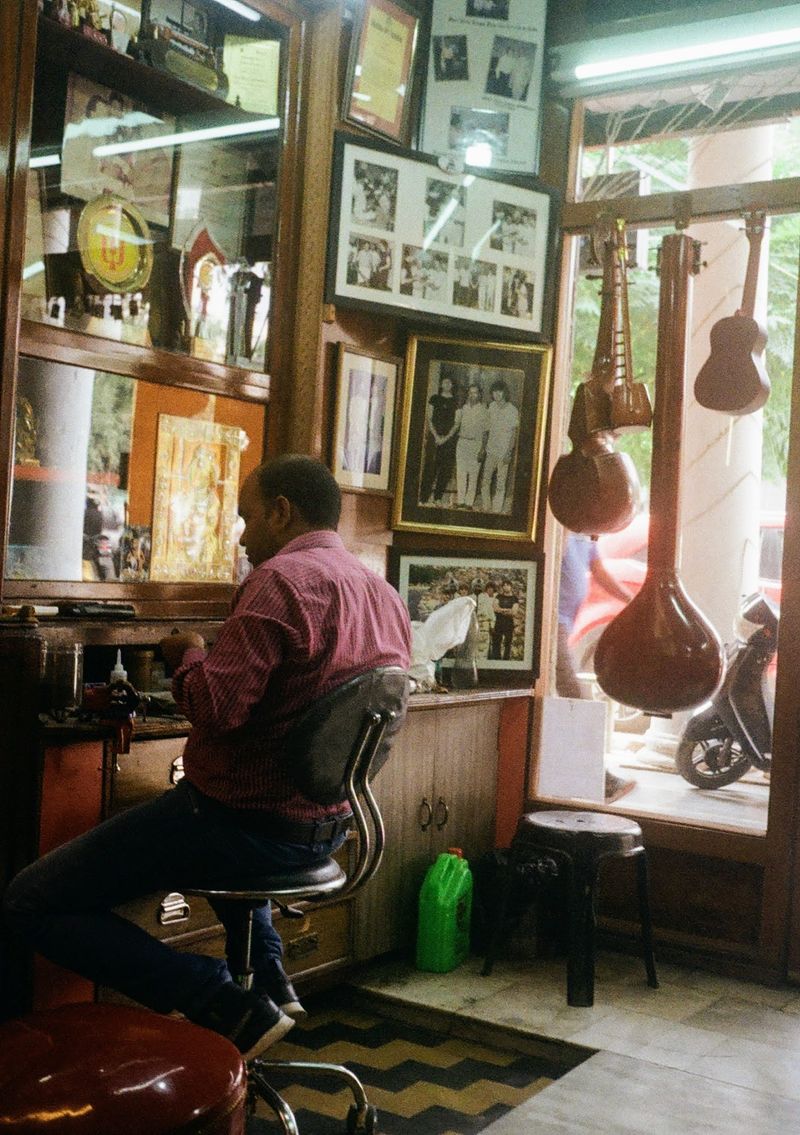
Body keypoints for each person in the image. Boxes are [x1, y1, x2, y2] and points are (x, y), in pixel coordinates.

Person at [3, 456, 412, 1060]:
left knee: (28, 900)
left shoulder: (281, 582)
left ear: (282, 511)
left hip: (239, 827)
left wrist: (188, 655)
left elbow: (217, 707)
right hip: (324, 830)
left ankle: (221, 1001)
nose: (245, 536)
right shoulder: (383, 596)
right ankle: (272, 981)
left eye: (249, 517)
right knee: (221, 831)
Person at [556, 531, 636, 804]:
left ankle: (585, 778)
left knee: (570, 702)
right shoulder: (562, 531)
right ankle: (598, 780)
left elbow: (600, 573)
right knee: (577, 700)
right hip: (550, 624)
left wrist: (633, 601)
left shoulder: (586, 540)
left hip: (562, 627)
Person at [420, 374, 459, 506]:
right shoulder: (434, 398)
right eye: (444, 382)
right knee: (430, 467)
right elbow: (429, 418)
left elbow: (457, 423)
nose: (447, 384)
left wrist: (446, 438)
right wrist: (436, 436)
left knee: (445, 469)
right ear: (441, 384)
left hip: (449, 440)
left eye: (449, 382)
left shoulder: (456, 401)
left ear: (452, 385)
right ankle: (424, 498)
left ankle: (437, 498)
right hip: (434, 438)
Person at [481, 379, 518, 513]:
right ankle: (486, 508)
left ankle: (496, 510)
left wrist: (509, 453)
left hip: (503, 453)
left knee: (500, 484)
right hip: (491, 451)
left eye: (499, 391)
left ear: (504, 393)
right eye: (494, 392)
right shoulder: (491, 407)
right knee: (485, 481)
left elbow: (513, 434)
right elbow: (486, 429)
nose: (497, 394)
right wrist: (483, 448)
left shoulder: (512, 410)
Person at [455, 381, 488, 509]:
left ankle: (469, 503)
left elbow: (485, 432)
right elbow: (457, 425)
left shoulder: (484, 410)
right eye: (470, 393)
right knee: (461, 473)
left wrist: (482, 449)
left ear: (479, 395)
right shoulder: (463, 408)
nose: (472, 395)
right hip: (462, 442)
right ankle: (460, 501)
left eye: (475, 393)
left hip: (476, 444)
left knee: (473, 474)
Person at [490, 578, 519, 660]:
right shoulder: (498, 596)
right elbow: (495, 608)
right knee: (496, 642)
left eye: (507, 585)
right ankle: (496, 660)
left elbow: (514, 612)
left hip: (509, 623)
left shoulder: (514, 598)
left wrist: (501, 610)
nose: (505, 587)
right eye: (504, 585)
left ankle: (506, 660)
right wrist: (506, 610)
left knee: (508, 643)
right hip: (499, 622)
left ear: (511, 587)